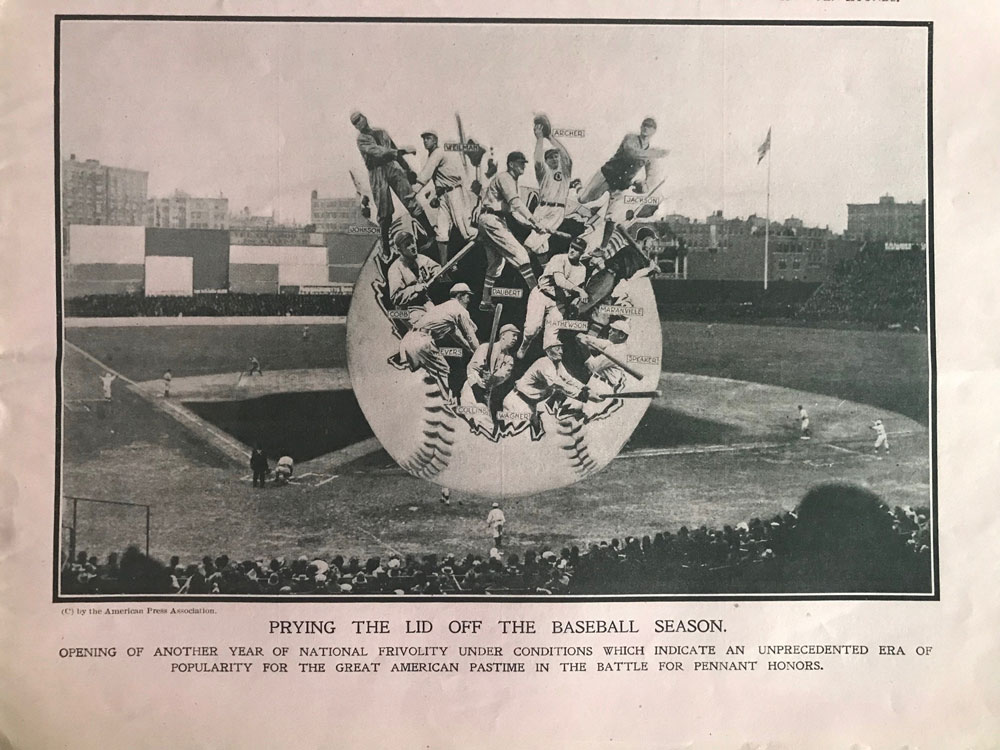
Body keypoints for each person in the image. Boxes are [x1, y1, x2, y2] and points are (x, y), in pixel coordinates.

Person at [350, 111, 437, 256]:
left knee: (411, 200)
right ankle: (385, 245)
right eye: (355, 122)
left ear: (365, 117)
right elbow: (379, 152)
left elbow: (393, 149)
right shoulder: (361, 140)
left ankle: (431, 233)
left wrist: (407, 170)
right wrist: (402, 152)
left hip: (392, 166)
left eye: (360, 119)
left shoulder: (381, 132)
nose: (359, 123)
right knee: (385, 212)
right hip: (377, 172)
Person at [477, 151, 548, 311]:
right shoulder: (505, 177)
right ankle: (537, 296)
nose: (523, 166)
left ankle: (485, 301)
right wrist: (534, 220)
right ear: (511, 164)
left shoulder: (512, 180)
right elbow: (516, 203)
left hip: (493, 219)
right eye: (520, 162)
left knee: (496, 264)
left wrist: (531, 225)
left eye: (524, 163)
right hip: (491, 219)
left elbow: (514, 213)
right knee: (521, 255)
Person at [517, 237, 589, 359]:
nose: (572, 251)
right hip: (541, 295)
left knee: (551, 340)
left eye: (577, 250)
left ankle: (550, 366)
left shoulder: (582, 269)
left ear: (582, 253)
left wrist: (575, 300)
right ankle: (525, 344)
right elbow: (560, 281)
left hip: (558, 303)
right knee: (531, 330)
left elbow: (575, 290)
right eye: (572, 247)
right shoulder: (559, 258)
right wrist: (580, 291)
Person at [501, 333, 589, 431]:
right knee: (519, 438)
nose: (561, 352)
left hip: (531, 404)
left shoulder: (557, 363)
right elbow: (558, 384)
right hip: (517, 402)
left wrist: (584, 387)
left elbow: (568, 378)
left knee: (536, 435)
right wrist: (580, 395)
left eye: (561, 348)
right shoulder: (544, 363)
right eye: (557, 349)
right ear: (548, 351)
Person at [412, 129, 475, 264]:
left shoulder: (438, 153)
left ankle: (487, 242)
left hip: (455, 193)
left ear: (435, 140)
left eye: (428, 138)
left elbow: (426, 175)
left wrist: (413, 191)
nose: (425, 141)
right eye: (423, 139)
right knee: (441, 232)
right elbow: (440, 179)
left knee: (466, 231)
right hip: (444, 195)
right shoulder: (432, 155)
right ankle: (444, 267)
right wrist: (435, 195)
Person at [398, 282, 480, 382]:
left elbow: (458, 337)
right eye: (468, 297)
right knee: (444, 373)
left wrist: (471, 351)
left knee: (418, 379)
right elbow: (470, 336)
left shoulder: (445, 308)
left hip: (408, 340)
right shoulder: (460, 310)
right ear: (460, 296)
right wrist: (480, 354)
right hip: (421, 341)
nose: (469, 300)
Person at [578, 117, 668, 204]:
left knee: (612, 217)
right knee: (583, 199)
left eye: (650, 126)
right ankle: (577, 185)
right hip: (606, 175)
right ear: (640, 127)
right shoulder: (631, 138)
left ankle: (608, 218)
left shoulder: (650, 154)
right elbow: (631, 153)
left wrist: (644, 187)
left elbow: (651, 174)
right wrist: (654, 153)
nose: (646, 128)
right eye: (644, 125)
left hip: (620, 185)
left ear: (654, 131)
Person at [523, 114, 573, 256]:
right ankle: (545, 276)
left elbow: (567, 158)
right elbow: (538, 161)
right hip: (541, 209)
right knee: (541, 249)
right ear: (547, 160)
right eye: (551, 157)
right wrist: (539, 139)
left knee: (528, 246)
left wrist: (550, 137)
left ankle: (511, 275)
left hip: (555, 211)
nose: (555, 158)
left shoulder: (565, 174)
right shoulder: (544, 173)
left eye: (556, 156)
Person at [460, 324, 520, 429]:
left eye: (517, 336)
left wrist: (491, 378)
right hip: (472, 390)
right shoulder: (485, 348)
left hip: (486, 394)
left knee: (487, 427)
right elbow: (472, 368)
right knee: (473, 425)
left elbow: (503, 376)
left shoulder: (509, 359)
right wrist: (478, 381)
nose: (515, 339)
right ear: (503, 335)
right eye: (513, 335)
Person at [386, 230, 441, 312]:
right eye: (407, 245)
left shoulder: (421, 258)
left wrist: (438, 272)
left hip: (424, 302)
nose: (413, 246)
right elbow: (395, 297)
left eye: (413, 242)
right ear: (400, 250)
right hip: (407, 310)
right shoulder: (395, 269)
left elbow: (436, 268)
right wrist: (415, 289)